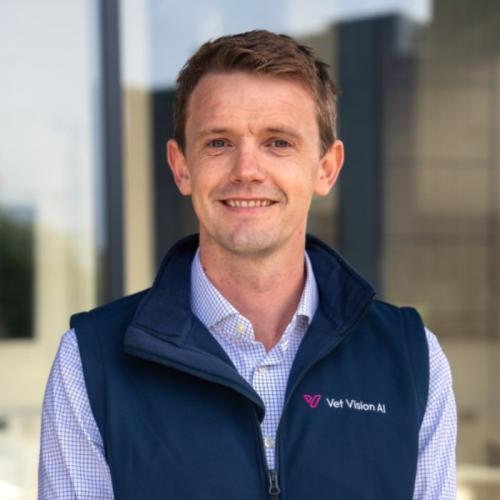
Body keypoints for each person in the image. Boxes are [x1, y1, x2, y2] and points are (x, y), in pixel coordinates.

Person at [38, 30, 456, 499]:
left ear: (326, 168)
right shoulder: (90, 364)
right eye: (219, 143)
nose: (247, 171)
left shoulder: (412, 360)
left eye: (278, 142)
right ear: (181, 166)